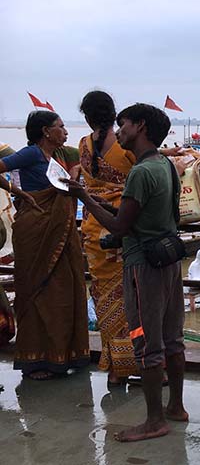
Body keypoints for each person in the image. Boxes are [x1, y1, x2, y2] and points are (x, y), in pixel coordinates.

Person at [64, 103, 187, 442]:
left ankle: (154, 420)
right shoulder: (165, 165)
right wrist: (96, 199)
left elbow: (120, 225)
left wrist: (83, 200)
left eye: (125, 125)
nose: (119, 131)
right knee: (173, 339)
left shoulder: (140, 173)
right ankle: (175, 406)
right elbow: (138, 212)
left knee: (145, 342)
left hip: (142, 265)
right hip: (169, 260)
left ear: (141, 127)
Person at [0, 111, 88, 380]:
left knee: (62, 290)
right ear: (45, 131)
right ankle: (36, 360)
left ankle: (61, 355)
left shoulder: (60, 156)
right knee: (37, 292)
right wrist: (17, 192)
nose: (65, 131)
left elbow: (86, 155)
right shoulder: (31, 154)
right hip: (35, 229)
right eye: (60, 127)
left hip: (57, 229)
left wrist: (75, 171)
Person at [78, 91, 139, 386]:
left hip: (93, 229)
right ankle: (133, 364)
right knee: (131, 301)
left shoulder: (83, 147)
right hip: (119, 227)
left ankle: (115, 368)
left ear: (87, 118)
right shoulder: (126, 149)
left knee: (104, 300)